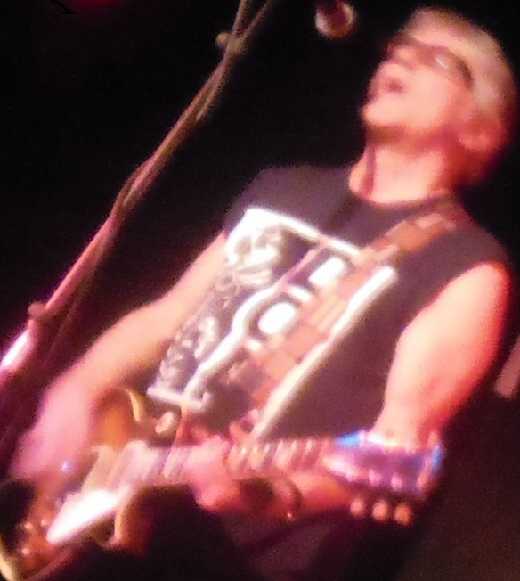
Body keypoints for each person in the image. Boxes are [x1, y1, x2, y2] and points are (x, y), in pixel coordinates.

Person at [7, 6, 518, 581]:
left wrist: (268, 494)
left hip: (228, 561)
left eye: (437, 60)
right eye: (401, 46)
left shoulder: (467, 267)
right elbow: (166, 316)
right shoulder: (281, 186)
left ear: (479, 129)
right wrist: (77, 389)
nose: (400, 56)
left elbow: (395, 448)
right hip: (117, 497)